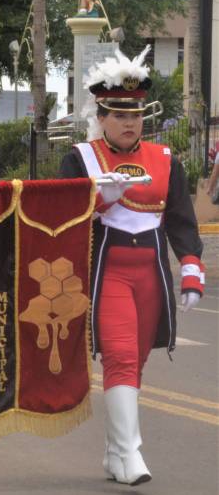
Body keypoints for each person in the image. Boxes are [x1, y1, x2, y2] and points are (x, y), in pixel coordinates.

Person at [59, 46, 205, 486]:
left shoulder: (165, 159)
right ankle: (131, 453)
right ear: (101, 117)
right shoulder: (79, 159)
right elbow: (58, 220)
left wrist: (191, 267)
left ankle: (113, 454)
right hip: (109, 273)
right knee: (120, 356)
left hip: (151, 275)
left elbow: (181, 219)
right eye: (119, 115)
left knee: (135, 362)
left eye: (136, 114)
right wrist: (98, 202)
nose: (129, 122)